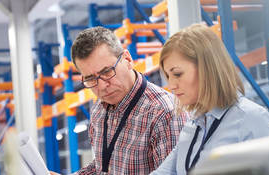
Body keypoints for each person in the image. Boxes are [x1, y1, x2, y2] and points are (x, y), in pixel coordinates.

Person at [151, 23, 269, 175]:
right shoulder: (193, 126)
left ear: (207, 68)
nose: (171, 85)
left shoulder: (250, 118)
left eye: (177, 74)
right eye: (168, 76)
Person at [71, 27, 187, 174]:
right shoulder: (99, 111)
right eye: (90, 79)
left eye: (106, 72)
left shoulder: (164, 113)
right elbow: (103, 166)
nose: (102, 86)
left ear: (127, 59)